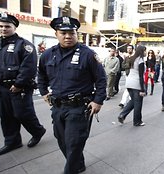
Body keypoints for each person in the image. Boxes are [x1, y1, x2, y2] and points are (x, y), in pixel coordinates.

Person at [37, 16, 107, 174]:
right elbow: (41, 75)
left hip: (79, 108)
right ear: (56, 34)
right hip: (57, 107)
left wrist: (98, 101)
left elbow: (101, 79)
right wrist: (43, 92)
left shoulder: (88, 54)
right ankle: (79, 163)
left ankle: (71, 170)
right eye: (63, 33)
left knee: (74, 142)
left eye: (72, 33)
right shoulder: (48, 55)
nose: (68, 36)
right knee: (62, 140)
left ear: (77, 34)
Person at [0, 13, 46, 156]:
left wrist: (18, 84)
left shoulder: (24, 45)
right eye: (0, 26)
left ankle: (38, 131)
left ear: (14, 27)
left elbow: (29, 68)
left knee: (22, 113)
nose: (3, 29)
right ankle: (12, 142)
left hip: (20, 88)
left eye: (7, 26)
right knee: (5, 115)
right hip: (2, 88)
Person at [117, 45, 146, 126]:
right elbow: (140, 76)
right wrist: (142, 89)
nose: (145, 52)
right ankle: (137, 121)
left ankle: (122, 115)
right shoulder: (140, 61)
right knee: (138, 103)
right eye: (144, 51)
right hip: (136, 83)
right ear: (142, 51)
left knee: (133, 101)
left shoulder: (132, 58)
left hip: (129, 82)